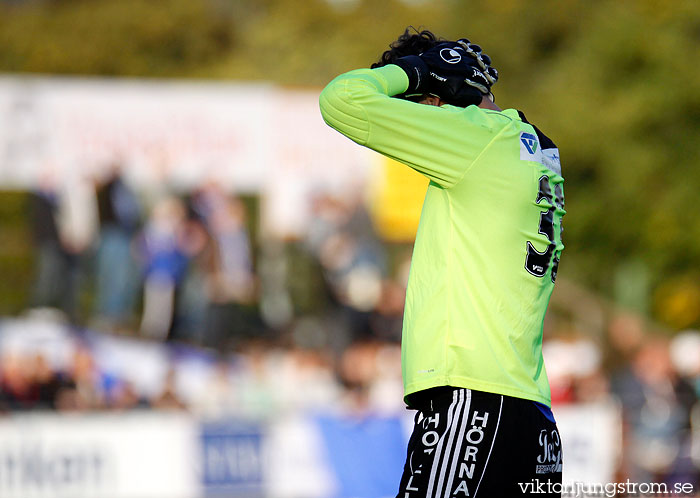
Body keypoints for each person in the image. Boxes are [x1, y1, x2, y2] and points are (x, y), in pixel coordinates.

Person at [319, 28, 565, 497]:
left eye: (415, 108)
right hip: (531, 413)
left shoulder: (476, 139)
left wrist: (415, 71)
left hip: (472, 404)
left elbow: (340, 100)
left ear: (435, 98)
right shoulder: (535, 149)